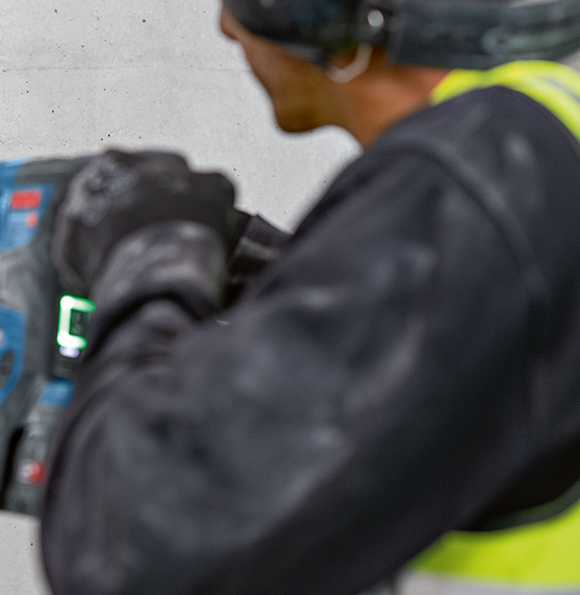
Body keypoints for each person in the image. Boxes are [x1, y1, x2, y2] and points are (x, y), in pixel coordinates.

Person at [40, 0, 580, 593]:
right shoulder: (539, 131)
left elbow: (129, 542)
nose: (226, 26)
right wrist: (294, 276)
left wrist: (148, 262)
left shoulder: (463, 182)